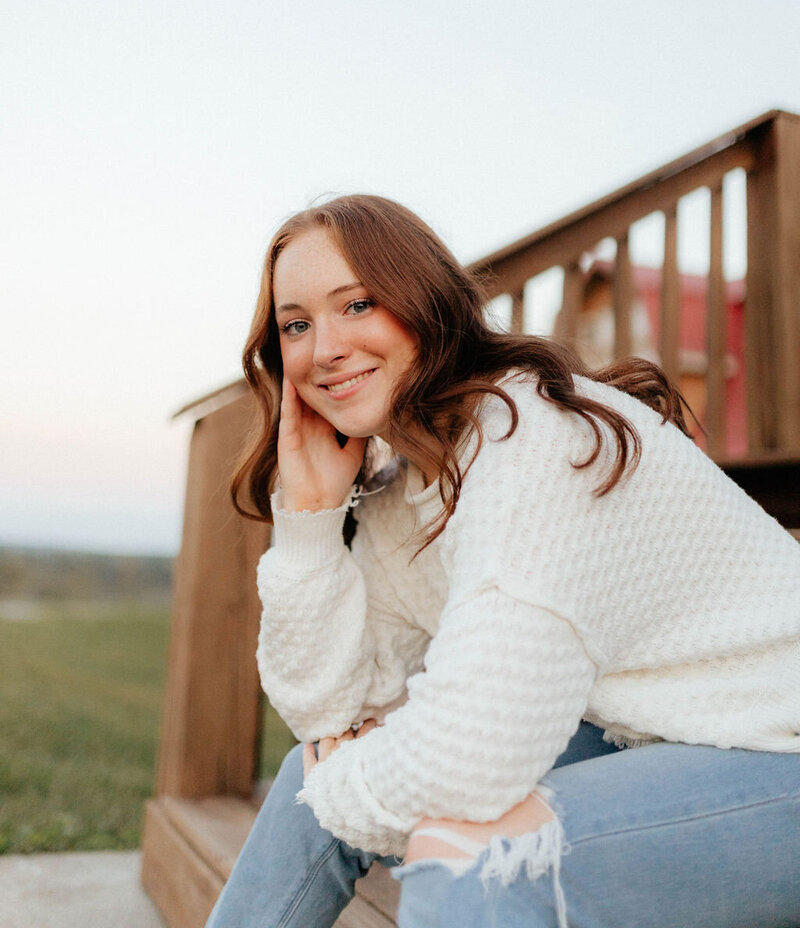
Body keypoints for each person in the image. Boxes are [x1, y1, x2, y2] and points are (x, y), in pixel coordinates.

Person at [206, 195, 800, 928]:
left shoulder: (534, 442)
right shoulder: (410, 489)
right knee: (313, 780)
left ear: (422, 300)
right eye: (296, 324)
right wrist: (309, 520)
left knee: (474, 854)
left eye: (356, 304)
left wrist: (347, 773)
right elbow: (332, 712)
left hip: (779, 747)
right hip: (664, 736)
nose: (323, 346)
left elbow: (465, 762)